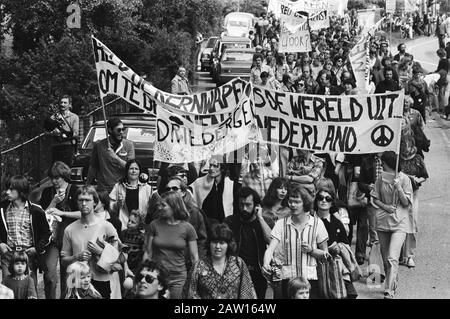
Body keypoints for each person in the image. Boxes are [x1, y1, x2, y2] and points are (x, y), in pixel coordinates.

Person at [262, 185, 329, 299]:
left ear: (305, 203)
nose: (292, 205)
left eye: (297, 202)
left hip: (310, 282)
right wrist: (266, 264)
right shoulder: (281, 224)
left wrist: (311, 250)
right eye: (291, 201)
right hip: (289, 280)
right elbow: (270, 249)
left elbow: (325, 255)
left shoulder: (317, 224)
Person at [61, 185, 120, 299]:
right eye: (80, 200)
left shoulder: (107, 227)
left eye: (87, 200)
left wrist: (100, 251)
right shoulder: (69, 229)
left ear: (95, 202)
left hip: (101, 280)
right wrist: (76, 257)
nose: (84, 204)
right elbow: (64, 261)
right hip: (77, 281)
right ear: (76, 202)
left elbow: (118, 257)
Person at [370, 151, 413, 299]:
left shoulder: (404, 179)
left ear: (389, 164)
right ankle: (393, 281)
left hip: (400, 222)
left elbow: (406, 202)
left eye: (383, 164)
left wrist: (399, 188)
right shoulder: (381, 178)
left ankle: (389, 290)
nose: (381, 166)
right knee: (385, 258)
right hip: (383, 221)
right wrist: (385, 206)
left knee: (392, 257)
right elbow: (375, 199)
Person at [0, 175, 51, 293]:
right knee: (7, 291)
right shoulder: (2, 208)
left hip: (28, 255)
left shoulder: (36, 210)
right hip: (8, 254)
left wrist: (37, 248)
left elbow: (46, 233)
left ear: (21, 190)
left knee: (29, 290)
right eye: (7, 188)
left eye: (11, 189)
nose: (7, 192)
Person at [144, 191, 199, 299]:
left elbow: (194, 257)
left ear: (174, 206)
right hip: (156, 274)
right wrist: (144, 273)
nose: (159, 207)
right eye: (159, 204)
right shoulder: (154, 225)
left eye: (163, 205)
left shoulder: (188, 228)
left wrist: (195, 280)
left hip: (178, 277)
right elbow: (147, 252)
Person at [39, 161, 80, 299]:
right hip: (52, 239)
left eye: (57, 177)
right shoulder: (47, 192)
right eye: (52, 178)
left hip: (71, 239)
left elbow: (84, 213)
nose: (54, 181)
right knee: (50, 275)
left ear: (64, 176)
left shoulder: (75, 190)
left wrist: (62, 213)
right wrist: (54, 202)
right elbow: (42, 215)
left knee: (70, 277)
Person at [183, 223, 257, 299]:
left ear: (228, 245)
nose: (217, 246)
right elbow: (190, 293)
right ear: (209, 244)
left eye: (222, 243)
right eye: (214, 242)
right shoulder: (199, 266)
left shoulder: (238, 263)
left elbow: (247, 292)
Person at [224, 187, 272, 299]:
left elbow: (271, 240)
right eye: (241, 204)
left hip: (258, 273)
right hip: (235, 272)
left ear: (256, 205)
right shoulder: (230, 222)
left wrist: (260, 217)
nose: (244, 208)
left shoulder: (265, 222)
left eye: (248, 205)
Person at [313, 187, 358, 299]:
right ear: (316, 200)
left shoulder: (337, 222)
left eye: (328, 199)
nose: (324, 201)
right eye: (321, 198)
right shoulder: (310, 221)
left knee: (349, 293)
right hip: (315, 264)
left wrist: (338, 247)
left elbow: (346, 244)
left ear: (332, 203)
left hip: (336, 263)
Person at [399, 135, 428, 268]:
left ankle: (409, 255)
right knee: (399, 223)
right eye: (403, 146)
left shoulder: (417, 159)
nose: (405, 149)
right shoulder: (398, 158)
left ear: (412, 146)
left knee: (412, 223)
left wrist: (417, 179)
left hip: (413, 194)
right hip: (399, 195)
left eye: (407, 146)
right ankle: (399, 253)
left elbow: (424, 176)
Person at [87, 118, 135, 193]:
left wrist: (115, 158)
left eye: (123, 129)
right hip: (104, 189)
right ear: (110, 130)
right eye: (118, 130)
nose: (122, 132)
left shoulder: (129, 145)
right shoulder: (99, 145)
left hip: (123, 188)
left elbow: (131, 168)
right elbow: (93, 167)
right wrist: (87, 185)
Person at [190, 157, 240, 227]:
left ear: (222, 168)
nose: (211, 168)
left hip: (225, 223)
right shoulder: (201, 182)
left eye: (215, 166)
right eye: (210, 165)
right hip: (208, 223)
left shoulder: (231, 185)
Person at [109, 159, 152, 230]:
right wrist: (117, 204)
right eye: (131, 168)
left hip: (141, 226)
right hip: (123, 224)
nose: (134, 171)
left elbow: (151, 208)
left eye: (136, 169)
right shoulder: (119, 186)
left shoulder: (147, 188)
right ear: (127, 171)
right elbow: (110, 207)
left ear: (140, 171)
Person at [46, 95, 79, 166]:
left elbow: (75, 133)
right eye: (61, 102)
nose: (62, 104)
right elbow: (46, 131)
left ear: (69, 104)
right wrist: (53, 133)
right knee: (55, 171)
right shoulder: (54, 117)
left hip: (67, 147)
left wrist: (63, 134)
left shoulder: (74, 117)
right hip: (56, 146)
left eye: (65, 103)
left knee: (66, 170)